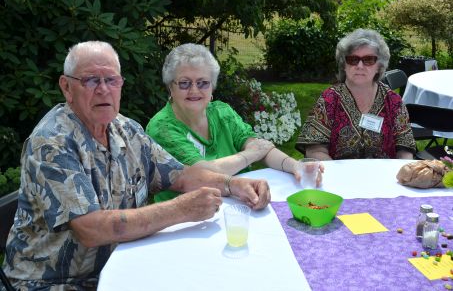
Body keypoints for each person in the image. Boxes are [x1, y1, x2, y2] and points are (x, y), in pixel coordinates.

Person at [2, 41, 271, 290]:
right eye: (91, 80)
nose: (103, 89)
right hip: (54, 283)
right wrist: (181, 209)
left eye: (111, 80)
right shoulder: (52, 143)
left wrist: (232, 184)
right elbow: (91, 229)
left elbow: (182, 175)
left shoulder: (127, 131)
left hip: (124, 264)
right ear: (66, 87)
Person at [146, 43, 320, 202]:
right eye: (184, 83)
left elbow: (260, 147)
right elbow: (203, 174)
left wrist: (295, 166)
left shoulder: (222, 112)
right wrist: (250, 155)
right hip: (191, 219)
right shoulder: (162, 128)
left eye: (203, 83)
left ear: (212, 87)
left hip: (242, 203)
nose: (194, 90)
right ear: (170, 87)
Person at [295, 28, 416, 160]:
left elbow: (405, 149)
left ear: (379, 66)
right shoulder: (329, 100)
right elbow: (314, 149)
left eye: (368, 60)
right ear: (344, 65)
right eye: (352, 59)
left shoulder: (393, 101)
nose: (359, 66)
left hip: (383, 177)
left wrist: (400, 175)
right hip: (339, 178)